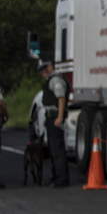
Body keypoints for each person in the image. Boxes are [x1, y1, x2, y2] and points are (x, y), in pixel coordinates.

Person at [38, 59, 71, 187]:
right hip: (50, 117)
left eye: (45, 68)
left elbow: (61, 99)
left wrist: (59, 117)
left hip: (55, 116)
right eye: (41, 70)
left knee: (57, 149)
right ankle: (56, 176)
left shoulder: (56, 80)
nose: (43, 72)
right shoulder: (50, 80)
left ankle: (62, 179)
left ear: (51, 66)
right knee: (52, 149)